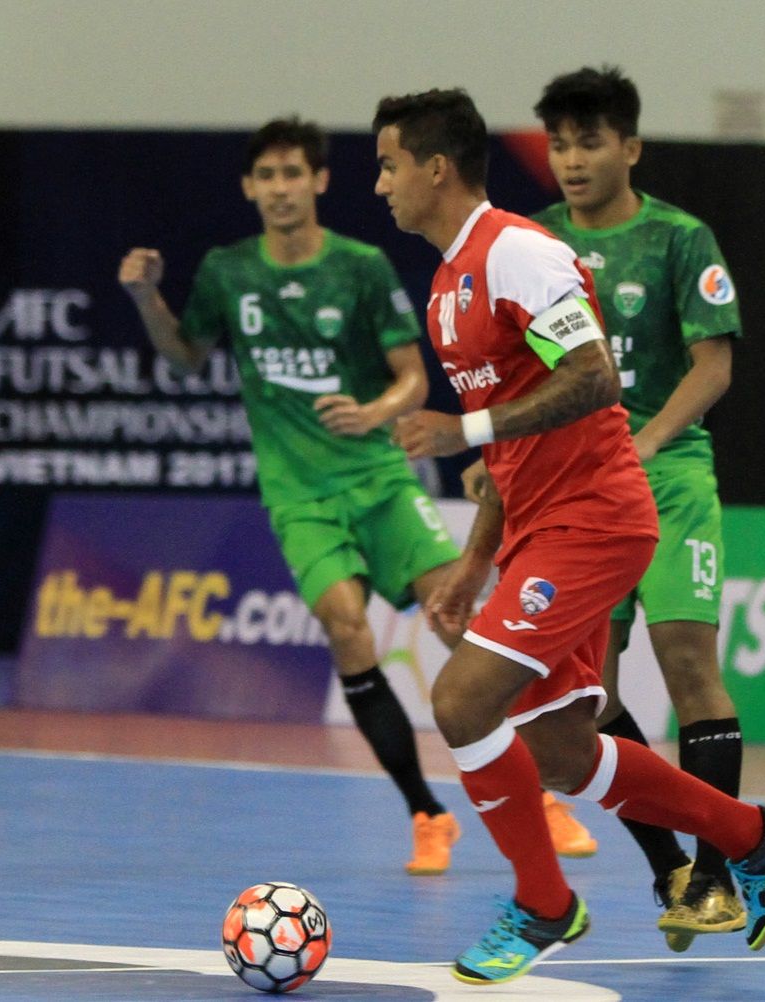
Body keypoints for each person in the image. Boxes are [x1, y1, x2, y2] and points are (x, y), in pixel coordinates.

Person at [374, 87, 765, 984]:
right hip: (535, 526)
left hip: (597, 518)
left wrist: (463, 433)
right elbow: (515, 438)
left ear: (436, 168)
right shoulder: (450, 283)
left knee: (458, 703)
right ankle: (753, 835)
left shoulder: (518, 252)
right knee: (562, 751)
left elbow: (596, 376)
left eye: (388, 165)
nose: (381, 186)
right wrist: (475, 559)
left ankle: (543, 904)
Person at [118, 116, 596, 877]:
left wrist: (376, 411)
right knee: (345, 627)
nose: (279, 189)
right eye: (265, 176)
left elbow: (410, 375)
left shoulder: (361, 266)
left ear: (317, 182)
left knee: (454, 614)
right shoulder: (227, 271)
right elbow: (184, 358)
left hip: (377, 478)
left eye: (292, 174)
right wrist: (147, 298)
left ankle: (541, 792)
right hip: (297, 493)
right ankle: (426, 813)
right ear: (249, 188)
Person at [479, 64, 745, 952]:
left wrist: (651, 439)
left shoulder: (678, 238)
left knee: (683, 660)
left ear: (628, 147)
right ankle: (669, 867)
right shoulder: (530, 240)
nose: (570, 159)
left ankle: (718, 876)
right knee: (579, 696)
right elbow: (515, 371)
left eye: (589, 141)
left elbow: (714, 364)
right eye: (556, 143)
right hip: (569, 487)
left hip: (664, 475)